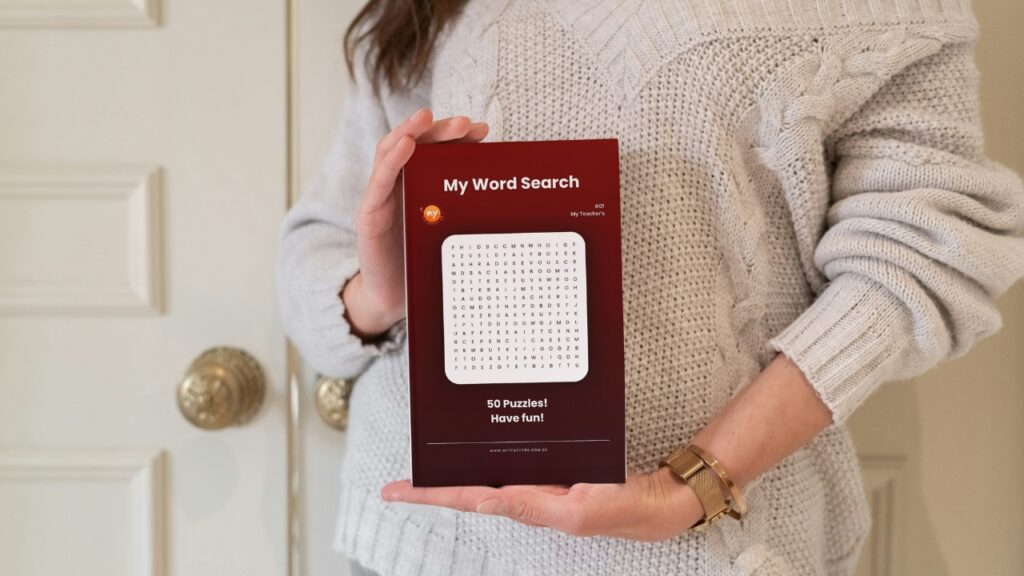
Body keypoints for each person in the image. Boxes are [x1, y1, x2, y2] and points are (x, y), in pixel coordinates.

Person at [276, 0, 1024, 574]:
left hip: (717, 543)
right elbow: (321, 250)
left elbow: (924, 254)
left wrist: (696, 483)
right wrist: (381, 290)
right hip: (431, 543)